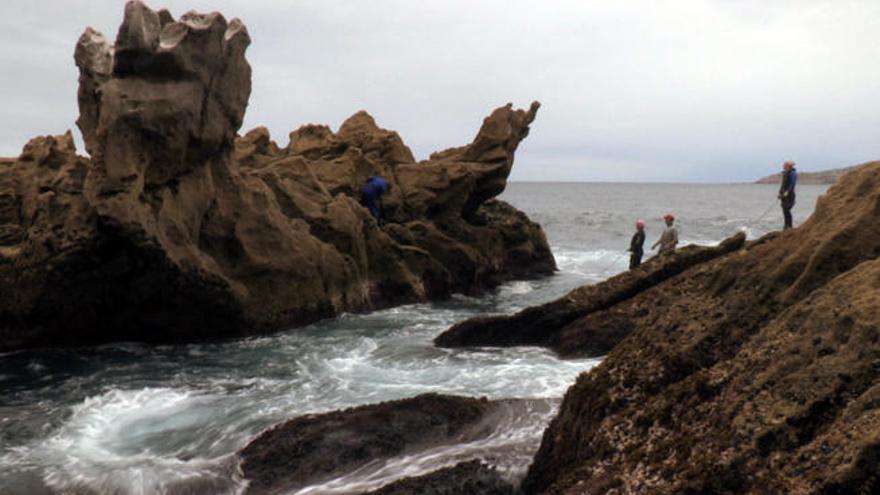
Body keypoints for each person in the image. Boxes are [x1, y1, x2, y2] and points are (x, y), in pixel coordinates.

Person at [778, 160, 797, 230]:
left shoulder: (793, 173)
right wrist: (780, 194)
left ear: (789, 166)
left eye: (785, 165)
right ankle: (786, 225)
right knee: (784, 209)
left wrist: (787, 192)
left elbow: (792, 184)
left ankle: (790, 226)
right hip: (783, 194)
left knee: (787, 209)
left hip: (790, 194)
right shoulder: (785, 173)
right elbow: (782, 185)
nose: (783, 166)